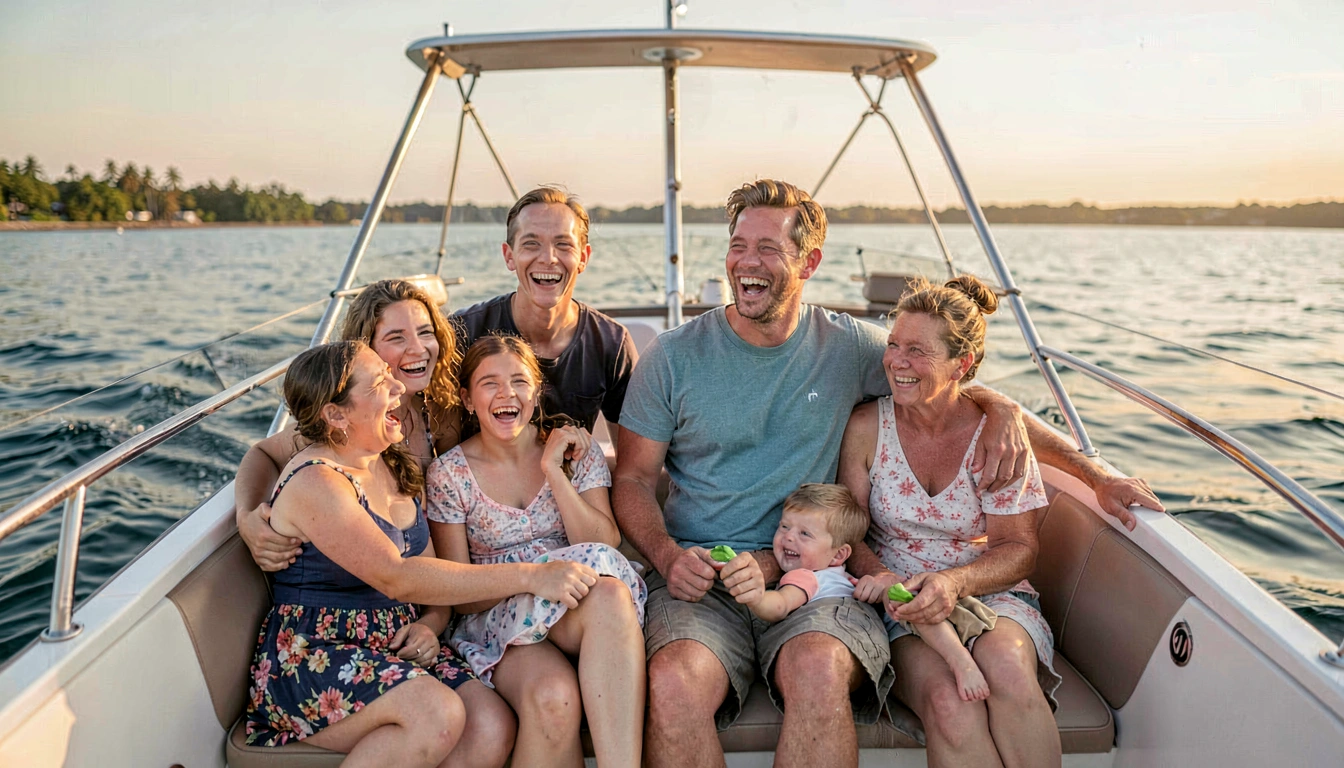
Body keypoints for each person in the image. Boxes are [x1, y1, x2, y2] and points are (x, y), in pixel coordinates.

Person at [613, 179, 1039, 768]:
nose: (746, 263)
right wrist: (665, 557)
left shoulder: (853, 348)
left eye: (768, 248)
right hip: (701, 577)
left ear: (809, 261)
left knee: (818, 669)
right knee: (674, 683)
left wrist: (1007, 411)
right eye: (738, 245)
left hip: (821, 574)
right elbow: (633, 480)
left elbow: (941, 384)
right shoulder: (673, 355)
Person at [245, 340, 600, 767]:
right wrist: (531, 576)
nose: (398, 385)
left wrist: (432, 624)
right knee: (437, 712)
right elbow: (399, 576)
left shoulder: (390, 462)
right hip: (314, 652)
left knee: (491, 724)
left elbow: (432, 577)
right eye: (380, 381)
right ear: (336, 414)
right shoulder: (316, 481)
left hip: (394, 641)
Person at [839, 275, 1062, 766]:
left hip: (988, 589)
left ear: (962, 364)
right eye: (894, 343)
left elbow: (1018, 547)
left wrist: (953, 582)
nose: (896, 360)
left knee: (1007, 669)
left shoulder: (998, 436)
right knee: (950, 703)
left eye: (917, 350)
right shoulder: (865, 428)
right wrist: (884, 578)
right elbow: (848, 531)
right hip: (899, 600)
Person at [427, 335, 647, 767]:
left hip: (575, 603)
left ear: (537, 392)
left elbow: (604, 545)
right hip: (495, 619)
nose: (507, 394)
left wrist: (554, 471)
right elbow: (459, 590)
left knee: (609, 594)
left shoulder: (572, 453)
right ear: (468, 400)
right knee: (553, 697)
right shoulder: (448, 474)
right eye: (489, 383)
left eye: (519, 381)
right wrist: (533, 574)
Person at [237, 278, 464, 573]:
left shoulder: (440, 411)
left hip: (428, 565)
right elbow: (262, 454)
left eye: (425, 333)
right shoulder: (343, 425)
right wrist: (245, 518)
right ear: (365, 350)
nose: (418, 348)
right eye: (397, 338)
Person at [452, 187, 638, 436]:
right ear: (509, 256)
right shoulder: (462, 333)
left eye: (563, 245)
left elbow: (630, 467)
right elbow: (440, 447)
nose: (548, 258)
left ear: (583, 257)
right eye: (531, 244)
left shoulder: (611, 344)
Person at [734, 484, 871, 624]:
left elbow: (780, 605)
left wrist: (758, 599)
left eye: (805, 533)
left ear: (838, 555)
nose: (789, 536)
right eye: (784, 526)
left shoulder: (806, 577)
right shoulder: (847, 580)